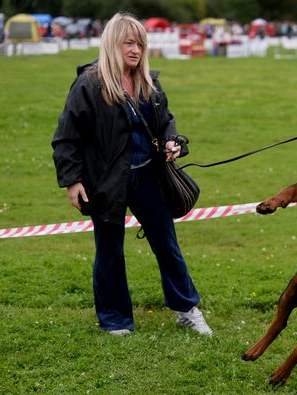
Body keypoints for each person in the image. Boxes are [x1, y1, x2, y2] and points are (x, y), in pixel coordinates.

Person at [52, 12, 212, 336]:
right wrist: (72, 181)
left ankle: (186, 308)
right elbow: (66, 138)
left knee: (167, 245)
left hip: (149, 177)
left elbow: (166, 120)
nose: (135, 49)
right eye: (129, 42)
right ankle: (115, 320)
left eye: (140, 43)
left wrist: (172, 140)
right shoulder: (90, 84)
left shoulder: (148, 83)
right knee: (109, 251)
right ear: (112, 44)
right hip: (107, 182)